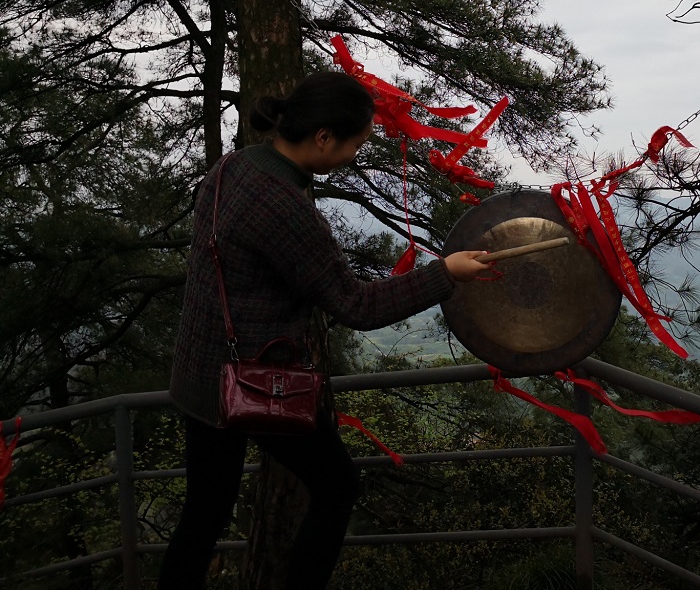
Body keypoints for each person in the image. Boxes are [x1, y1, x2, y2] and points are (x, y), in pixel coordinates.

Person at [158, 71, 490, 590]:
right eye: (355, 143)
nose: (356, 154)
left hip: (200, 377)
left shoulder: (232, 168)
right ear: (323, 138)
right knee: (336, 485)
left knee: (203, 515)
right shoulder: (284, 206)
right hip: (252, 383)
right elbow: (354, 303)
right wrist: (445, 274)